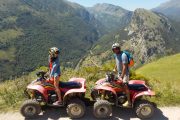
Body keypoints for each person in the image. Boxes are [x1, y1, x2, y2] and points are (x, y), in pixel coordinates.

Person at [112, 43, 131, 107]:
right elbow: (117, 62)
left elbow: (124, 67)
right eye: (114, 49)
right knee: (115, 84)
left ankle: (129, 102)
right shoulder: (116, 55)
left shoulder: (123, 55)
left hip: (125, 74)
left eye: (116, 49)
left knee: (125, 86)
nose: (115, 50)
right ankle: (120, 97)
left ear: (119, 48)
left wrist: (122, 77)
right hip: (119, 73)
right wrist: (114, 68)